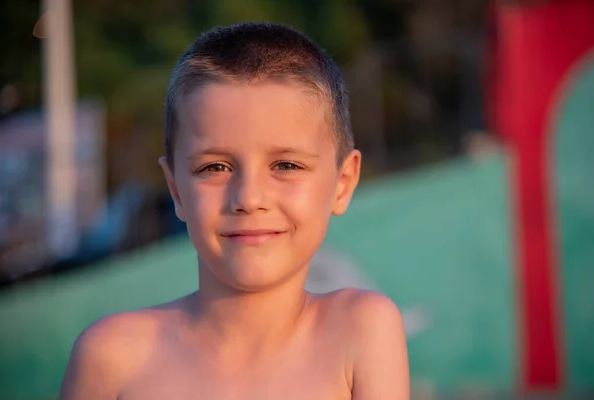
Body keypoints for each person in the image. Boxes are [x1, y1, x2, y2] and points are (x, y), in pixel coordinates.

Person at [60, 22, 409, 399]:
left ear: (342, 183)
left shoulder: (360, 331)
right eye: (214, 168)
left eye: (286, 166)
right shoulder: (112, 358)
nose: (248, 197)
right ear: (176, 188)